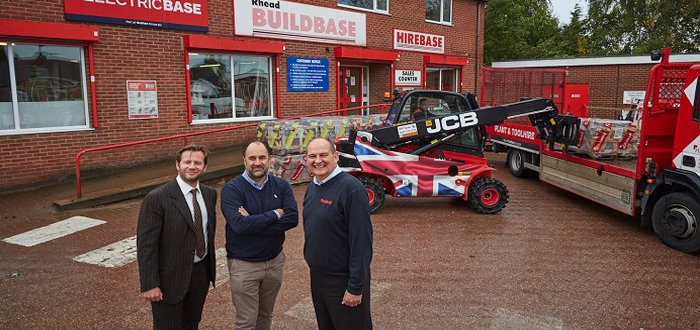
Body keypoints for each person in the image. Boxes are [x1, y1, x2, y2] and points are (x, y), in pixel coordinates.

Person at [220, 140, 298, 330]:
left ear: (269, 160)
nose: (257, 162)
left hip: (274, 263)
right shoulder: (232, 189)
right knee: (246, 322)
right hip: (244, 265)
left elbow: (292, 219)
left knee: (265, 315)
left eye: (262, 157)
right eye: (252, 158)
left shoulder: (281, 185)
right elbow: (239, 225)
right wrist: (275, 214)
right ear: (244, 160)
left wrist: (254, 222)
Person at [137, 144, 217, 330]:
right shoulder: (156, 198)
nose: (192, 166)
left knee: (191, 324)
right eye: (187, 162)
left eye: (197, 162)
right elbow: (146, 245)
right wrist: (150, 284)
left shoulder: (209, 194)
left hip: (200, 275)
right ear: (177, 165)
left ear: (204, 167)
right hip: (169, 280)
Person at [303, 137, 373, 330]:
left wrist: (355, 286)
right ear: (306, 159)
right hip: (318, 279)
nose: (318, 160)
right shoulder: (312, 188)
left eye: (324, 155)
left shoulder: (351, 190)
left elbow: (361, 242)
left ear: (335, 156)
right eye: (312, 156)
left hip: (343, 282)